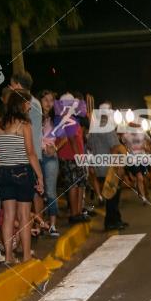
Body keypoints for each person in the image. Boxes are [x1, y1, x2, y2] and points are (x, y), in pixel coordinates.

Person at [0, 90, 44, 263]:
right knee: (24, 216)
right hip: (21, 171)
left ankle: (9, 257)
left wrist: (7, 150)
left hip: (3, 172)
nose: (29, 106)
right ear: (21, 104)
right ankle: (27, 255)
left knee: (8, 216)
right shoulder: (24, 124)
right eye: (27, 103)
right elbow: (31, 153)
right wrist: (40, 176)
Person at [87, 103, 128, 230]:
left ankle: (116, 219)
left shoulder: (93, 129)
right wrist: (119, 167)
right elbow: (114, 148)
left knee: (110, 195)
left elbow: (89, 146)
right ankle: (111, 222)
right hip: (110, 167)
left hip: (100, 166)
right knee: (113, 196)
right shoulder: (108, 128)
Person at [55, 93, 88, 224]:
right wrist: (79, 158)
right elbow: (73, 139)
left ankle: (78, 212)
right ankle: (75, 214)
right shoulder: (67, 118)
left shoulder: (71, 118)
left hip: (75, 156)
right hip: (71, 157)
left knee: (79, 184)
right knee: (74, 185)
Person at [39, 90, 60, 236]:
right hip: (35, 156)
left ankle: (52, 225)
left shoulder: (56, 119)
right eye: (45, 100)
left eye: (51, 100)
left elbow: (65, 136)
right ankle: (40, 224)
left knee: (51, 191)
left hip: (50, 157)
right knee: (38, 192)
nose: (48, 103)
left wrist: (55, 147)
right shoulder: (33, 116)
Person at [121, 117, 151, 206]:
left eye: (136, 126)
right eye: (132, 125)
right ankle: (143, 198)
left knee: (145, 178)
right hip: (132, 159)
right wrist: (126, 150)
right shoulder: (126, 135)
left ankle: (145, 192)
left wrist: (146, 147)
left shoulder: (142, 133)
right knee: (140, 177)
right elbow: (122, 143)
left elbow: (150, 141)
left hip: (142, 158)